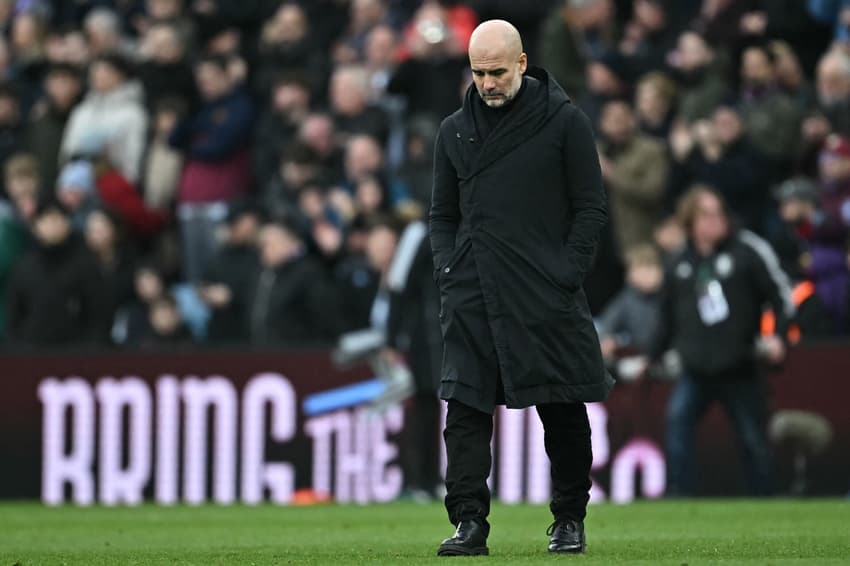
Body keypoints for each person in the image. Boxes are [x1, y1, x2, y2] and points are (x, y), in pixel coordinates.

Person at [430, 20, 612, 556]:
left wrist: (566, 274)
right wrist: (448, 271)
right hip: (474, 290)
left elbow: (591, 208)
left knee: (562, 407)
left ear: (523, 64)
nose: (487, 83)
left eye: (497, 71)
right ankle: (469, 522)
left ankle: (570, 519)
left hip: (544, 293)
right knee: (463, 413)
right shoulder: (453, 131)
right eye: (479, 72)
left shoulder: (565, 122)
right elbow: (442, 216)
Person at [650, 186, 793, 496]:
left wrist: (779, 336)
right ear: (690, 221)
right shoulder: (678, 262)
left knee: (753, 437)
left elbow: (781, 295)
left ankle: (764, 497)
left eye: (719, 213)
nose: (716, 220)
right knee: (677, 426)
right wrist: (653, 355)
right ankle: (679, 496)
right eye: (706, 214)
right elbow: (666, 316)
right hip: (694, 367)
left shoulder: (747, 251)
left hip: (739, 363)